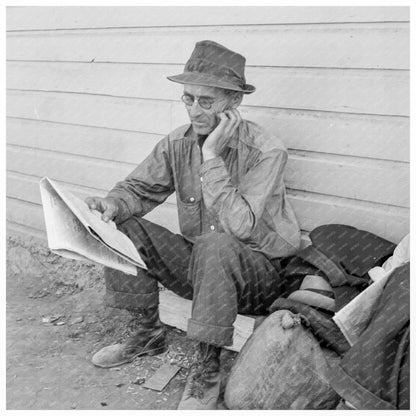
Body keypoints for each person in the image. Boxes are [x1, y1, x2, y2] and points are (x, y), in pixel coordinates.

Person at [85, 40, 301, 409]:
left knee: (216, 242)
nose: (194, 110)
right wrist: (112, 203)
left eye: (206, 101)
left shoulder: (266, 150)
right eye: (188, 98)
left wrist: (211, 156)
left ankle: (207, 367)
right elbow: (137, 189)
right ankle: (146, 333)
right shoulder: (177, 143)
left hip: (257, 276)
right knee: (121, 223)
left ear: (233, 103)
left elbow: (240, 226)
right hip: (202, 267)